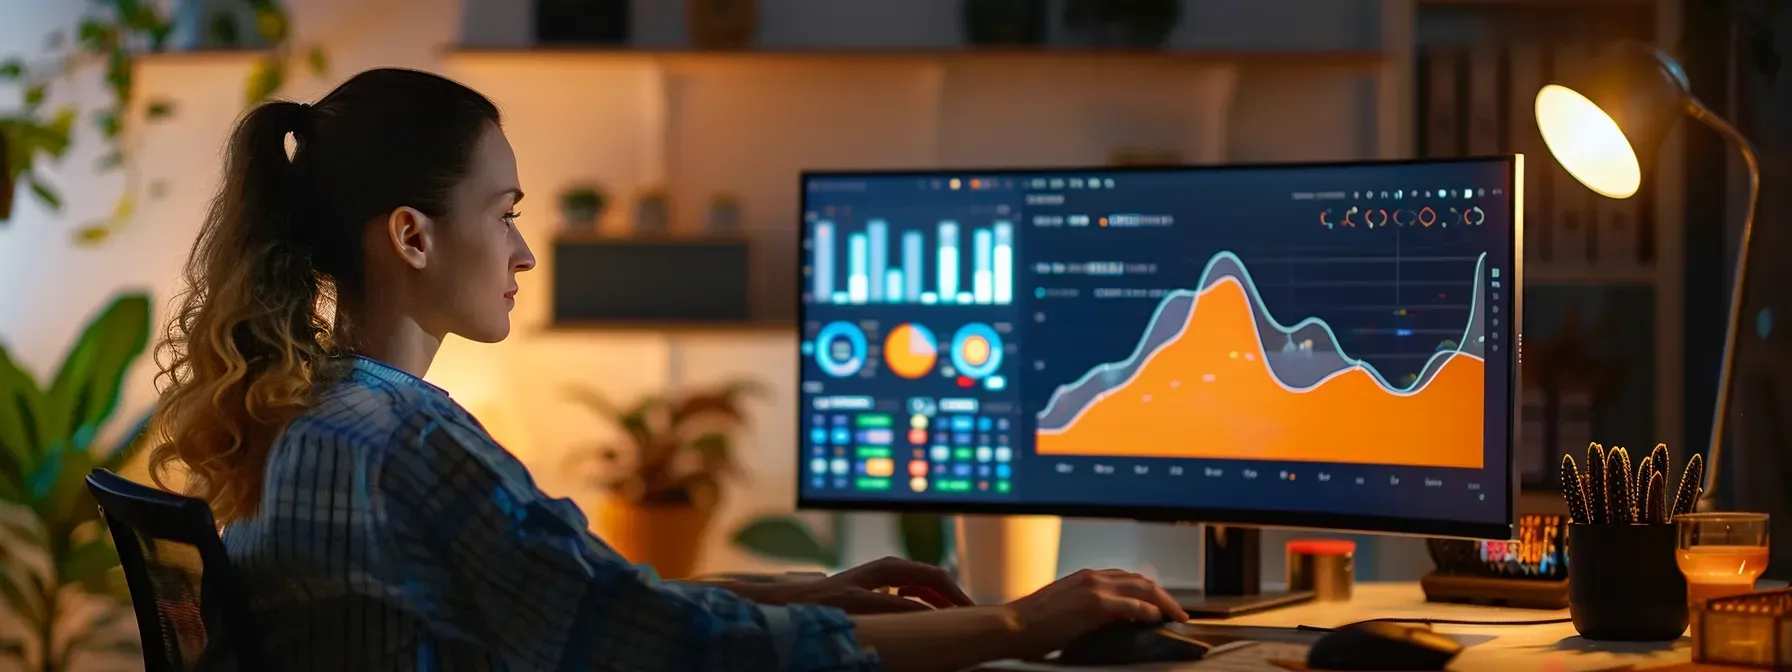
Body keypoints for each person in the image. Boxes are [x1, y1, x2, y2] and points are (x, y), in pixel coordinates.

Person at [147, 67, 1187, 671]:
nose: (523, 254)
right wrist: (1016, 622)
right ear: (412, 237)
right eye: (504, 215)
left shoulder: (318, 412)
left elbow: (583, 596)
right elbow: (660, 643)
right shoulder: (405, 440)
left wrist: (814, 590)